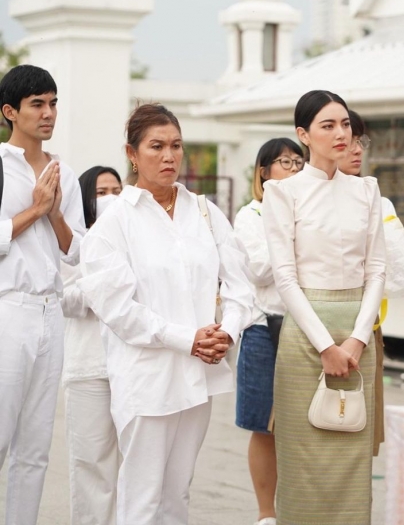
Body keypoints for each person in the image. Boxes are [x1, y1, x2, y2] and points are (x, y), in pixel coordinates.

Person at [77, 103, 254, 525]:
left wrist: (226, 333)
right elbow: (117, 309)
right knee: (141, 500)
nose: (169, 156)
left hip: (198, 378)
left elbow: (241, 285)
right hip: (146, 379)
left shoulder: (206, 213)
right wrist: (187, 338)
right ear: (132, 154)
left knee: (177, 495)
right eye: (156, 146)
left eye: (176, 146)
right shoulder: (114, 222)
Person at [262, 90, 386, 525]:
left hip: (358, 340)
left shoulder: (366, 190)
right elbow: (285, 277)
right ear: (304, 135)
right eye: (327, 126)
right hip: (304, 337)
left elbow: (376, 270)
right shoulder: (282, 193)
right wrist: (325, 345)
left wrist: (356, 338)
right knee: (302, 463)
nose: (340, 134)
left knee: (353, 458)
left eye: (345, 124)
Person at [0, 65, 86, 525]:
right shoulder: (0, 165)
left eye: (53, 102)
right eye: (38, 104)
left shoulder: (63, 172)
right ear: (10, 112)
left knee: (35, 448)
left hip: (52, 313)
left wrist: (52, 213)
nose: (49, 112)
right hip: (8, 309)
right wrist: (36, 207)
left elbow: (77, 252)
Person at [233, 137, 304, 525]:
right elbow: (260, 270)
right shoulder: (251, 215)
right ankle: (266, 515)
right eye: (284, 162)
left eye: (298, 162)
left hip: (308, 326)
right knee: (264, 427)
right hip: (265, 328)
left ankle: (299, 508)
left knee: (306, 425)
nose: (293, 169)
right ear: (264, 171)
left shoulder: (311, 209)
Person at [339, 110, 404, 455]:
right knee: (306, 437)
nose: (356, 149)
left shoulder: (376, 198)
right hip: (311, 330)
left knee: (358, 436)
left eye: (361, 140)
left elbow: (401, 277)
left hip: (367, 332)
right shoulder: (295, 195)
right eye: (346, 139)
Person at [61, 165, 122, 525]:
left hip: (133, 363)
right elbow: (65, 300)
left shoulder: (133, 238)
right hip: (87, 367)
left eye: (116, 189)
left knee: (137, 466)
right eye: (101, 192)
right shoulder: (69, 242)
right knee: (90, 463)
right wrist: (102, 283)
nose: (110, 198)